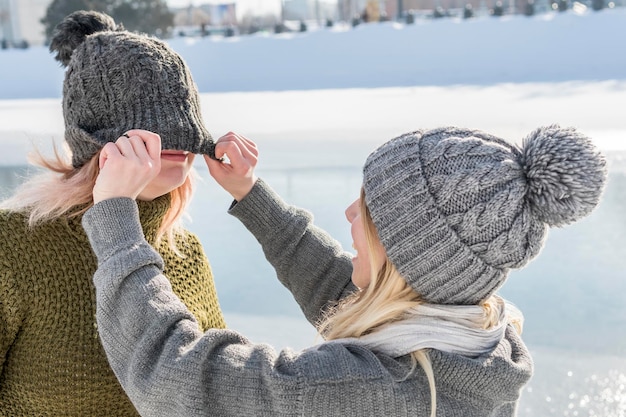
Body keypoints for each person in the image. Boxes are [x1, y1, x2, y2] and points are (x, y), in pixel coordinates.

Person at [82, 126, 607, 417]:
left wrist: (115, 219)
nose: (351, 215)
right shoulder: (483, 350)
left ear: (408, 257)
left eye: (368, 210)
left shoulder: (363, 391)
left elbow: (179, 379)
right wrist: (251, 195)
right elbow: (354, 300)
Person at [0, 11, 226, 416]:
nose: (178, 139)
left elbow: (221, 395)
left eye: (184, 121)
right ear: (100, 145)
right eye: (151, 125)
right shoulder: (13, 244)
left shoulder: (186, 251)